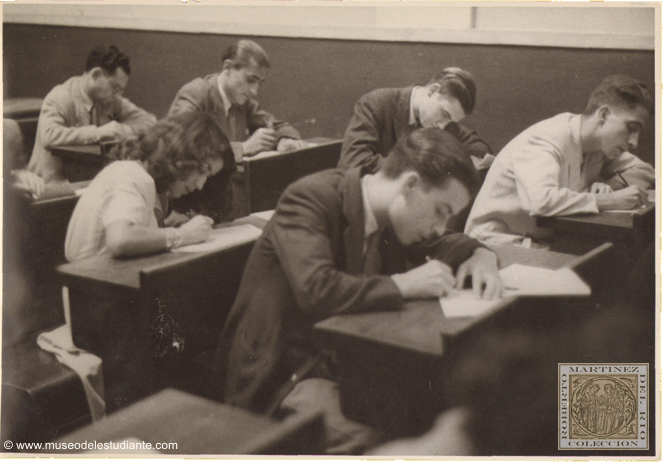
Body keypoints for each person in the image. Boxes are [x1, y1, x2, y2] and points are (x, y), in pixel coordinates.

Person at [212, 128, 502, 453]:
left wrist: (482, 255)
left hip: (340, 362)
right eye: (440, 210)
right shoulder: (310, 197)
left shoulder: (393, 215)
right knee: (371, 435)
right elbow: (316, 288)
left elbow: (444, 241)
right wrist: (402, 284)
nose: (441, 225)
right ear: (409, 185)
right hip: (281, 373)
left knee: (431, 409)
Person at [465, 75, 655, 246]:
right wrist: (608, 200)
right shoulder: (545, 139)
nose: (634, 142)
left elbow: (645, 170)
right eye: (631, 127)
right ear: (603, 115)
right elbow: (540, 201)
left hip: (542, 241)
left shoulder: (598, 146)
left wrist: (609, 184)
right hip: (494, 245)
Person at [64, 112, 235, 262]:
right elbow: (120, 239)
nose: (201, 184)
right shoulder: (133, 175)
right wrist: (183, 235)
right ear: (183, 154)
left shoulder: (139, 175)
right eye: (203, 170)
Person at [167, 39, 302, 220]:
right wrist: (243, 148)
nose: (254, 91)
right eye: (250, 80)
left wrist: (285, 139)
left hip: (221, 206)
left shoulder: (241, 101)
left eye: (259, 83)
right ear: (228, 67)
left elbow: (276, 124)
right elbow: (178, 148)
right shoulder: (196, 93)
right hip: (185, 207)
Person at [27, 45, 156, 183]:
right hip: (48, 186)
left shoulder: (108, 99)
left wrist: (125, 130)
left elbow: (150, 120)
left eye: (121, 90)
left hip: (84, 181)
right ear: (95, 75)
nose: (118, 95)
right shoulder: (60, 96)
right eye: (115, 87)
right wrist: (99, 133)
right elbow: (49, 136)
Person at [338, 67, 492, 174]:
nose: (442, 126)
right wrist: (422, 170)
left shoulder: (442, 122)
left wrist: (470, 160)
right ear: (432, 91)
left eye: (452, 121)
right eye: (445, 113)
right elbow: (353, 162)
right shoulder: (375, 103)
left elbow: (478, 146)